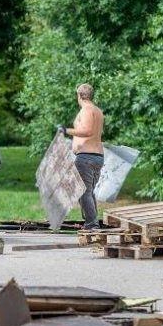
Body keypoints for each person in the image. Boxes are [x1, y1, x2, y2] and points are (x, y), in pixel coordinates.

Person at [57, 83, 105, 230]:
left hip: (86, 157)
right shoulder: (98, 111)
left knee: (83, 192)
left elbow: (87, 131)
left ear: (79, 96)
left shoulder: (86, 110)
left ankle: (92, 224)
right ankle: (92, 222)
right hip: (97, 156)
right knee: (88, 191)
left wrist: (66, 130)